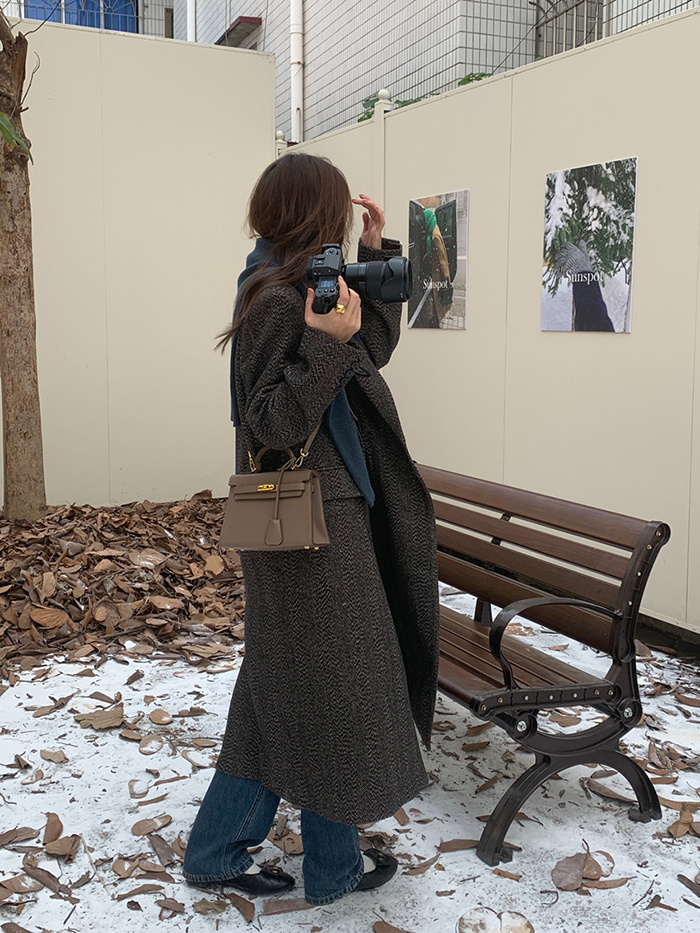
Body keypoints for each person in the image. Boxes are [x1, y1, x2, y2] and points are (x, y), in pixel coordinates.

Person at [182, 152, 440, 907]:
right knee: (336, 687)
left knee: (290, 687)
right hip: (303, 526)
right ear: (311, 214)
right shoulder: (273, 301)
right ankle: (332, 867)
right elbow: (268, 423)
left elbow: (370, 355)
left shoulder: (300, 286)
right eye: (335, 213)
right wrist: (323, 343)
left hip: (318, 521)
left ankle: (232, 853)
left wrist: (375, 258)